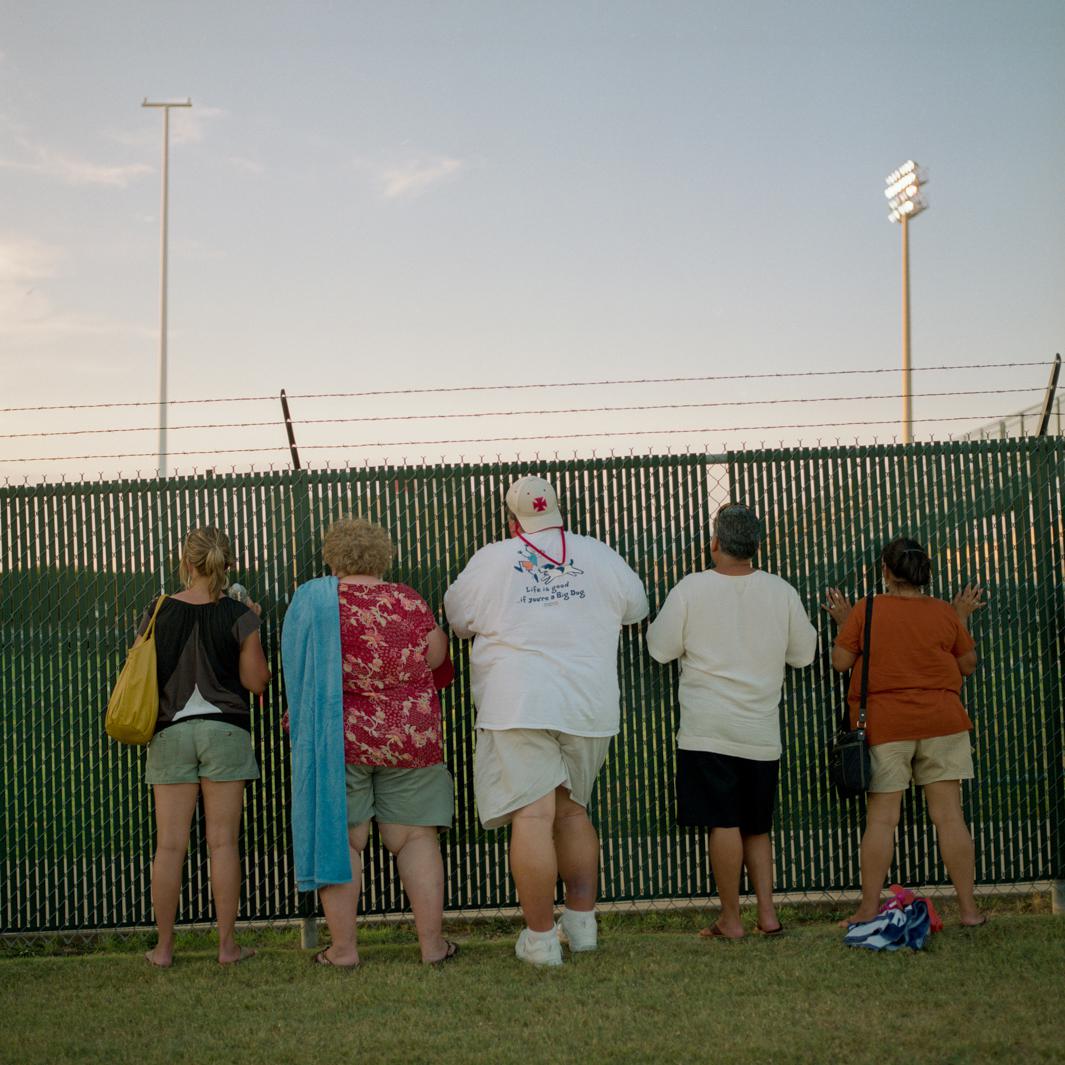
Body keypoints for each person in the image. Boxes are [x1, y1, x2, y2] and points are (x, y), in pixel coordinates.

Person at [444, 475, 648, 966]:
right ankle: (582, 927)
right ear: (558, 512)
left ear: (514, 520)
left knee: (533, 817)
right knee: (573, 812)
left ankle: (538, 940)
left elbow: (457, 619)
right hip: (586, 704)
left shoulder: (492, 558)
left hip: (518, 701)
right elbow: (636, 607)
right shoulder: (598, 553)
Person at [282, 516, 457, 968]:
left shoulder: (317, 601)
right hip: (410, 737)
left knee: (344, 839)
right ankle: (432, 947)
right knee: (416, 837)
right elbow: (436, 656)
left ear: (333, 558)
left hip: (339, 738)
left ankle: (343, 950)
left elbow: (298, 667)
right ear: (384, 556)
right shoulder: (408, 600)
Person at [646, 503, 817, 940]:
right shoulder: (782, 591)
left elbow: (659, 648)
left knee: (723, 823)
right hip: (760, 730)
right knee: (757, 826)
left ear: (715, 543)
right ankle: (768, 915)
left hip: (707, 729)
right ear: (755, 547)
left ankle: (731, 919)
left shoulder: (691, 589)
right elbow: (804, 654)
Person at [824, 537, 986, 927]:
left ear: (886, 572)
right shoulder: (944, 613)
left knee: (881, 820)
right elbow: (967, 664)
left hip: (886, 725)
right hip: (943, 722)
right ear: (924, 573)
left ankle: (867, 908)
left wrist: (847, 625)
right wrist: (960, 619)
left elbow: (840, 661)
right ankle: (969, 910)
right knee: (950, 817)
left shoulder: (869, 610)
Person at [141, 526, 271, 967]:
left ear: (188, 562)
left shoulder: (158, 610)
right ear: (226, 564)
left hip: (170, 732)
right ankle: (227, 947)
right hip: (225, 732)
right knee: (222, 845)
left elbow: (141, 672)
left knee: (169, 846)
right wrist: (252, 625)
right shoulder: (240, 614)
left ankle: (163, 949)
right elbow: (256, 681)